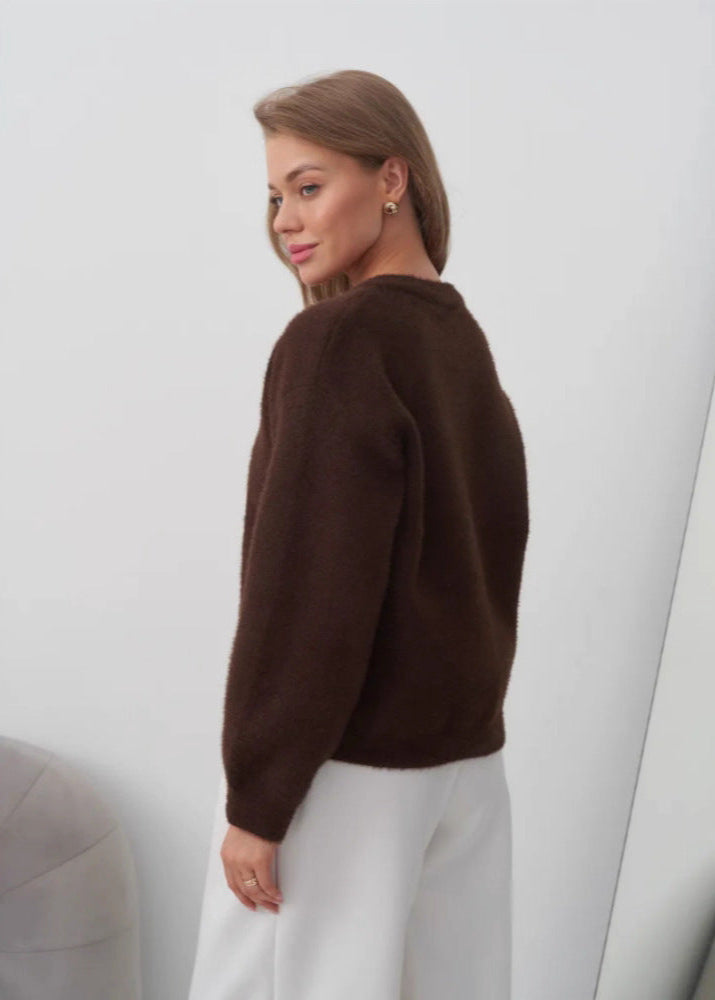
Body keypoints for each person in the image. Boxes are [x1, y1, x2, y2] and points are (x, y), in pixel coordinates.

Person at [188, 69, 530, 1000]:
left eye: (308, 186)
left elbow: (308, 587)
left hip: (342, 773)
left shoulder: (338, 342)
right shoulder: (458, 340)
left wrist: (260, 799)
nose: (285, 220)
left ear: (390, 178)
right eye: (274, 196)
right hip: (462, 770)